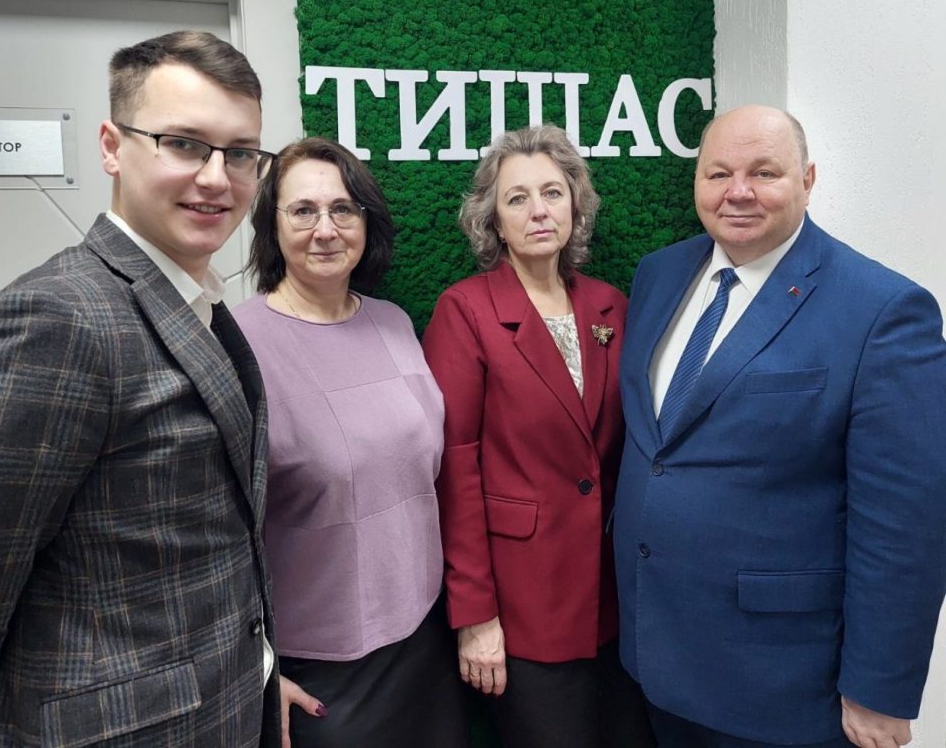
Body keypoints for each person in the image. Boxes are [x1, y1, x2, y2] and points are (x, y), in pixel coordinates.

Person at [0, 31, 281, 746]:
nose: (218, 178)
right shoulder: (56, 319)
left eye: (241, 152)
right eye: (184, 144)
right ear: (112, 147)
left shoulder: (196, 302)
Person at [614, 105, 946, 748]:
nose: (737, 191)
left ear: (808, 179)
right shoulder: (659, 274)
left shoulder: (883, 311)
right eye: (719, 174)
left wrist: (879, 689)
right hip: (655, 658)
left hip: (783, 685)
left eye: (764, 172)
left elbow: (907, 524)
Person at [422, 125, 655, 748]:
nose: (538, 210)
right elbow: (453, 470)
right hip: (524, 607)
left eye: (552, 192)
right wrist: (475, 617)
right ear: (494, 221)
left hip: (615, 604)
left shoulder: (611, 306)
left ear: (574, 205)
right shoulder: (465, 310)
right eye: (517, 198)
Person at [232, 137, 468, 748]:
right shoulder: (237, 343)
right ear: (272, 225)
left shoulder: (392, 322)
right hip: (319, 668)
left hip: (424, 640)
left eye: (343, 209)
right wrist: (256, 668)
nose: (325, 229)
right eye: (302, 210)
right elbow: (209, 532)